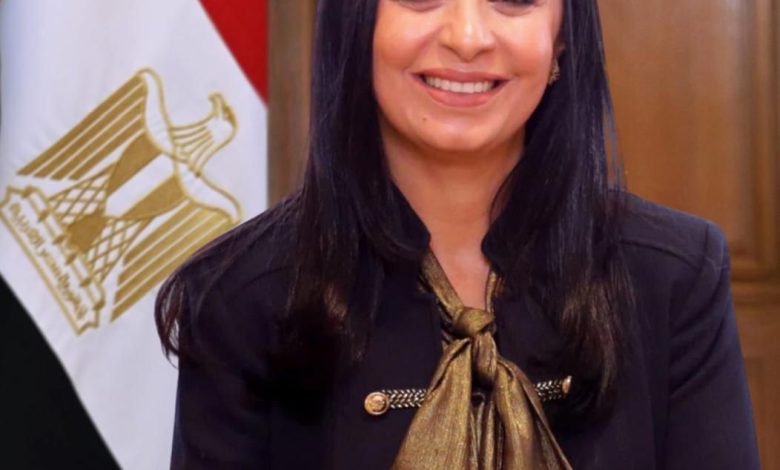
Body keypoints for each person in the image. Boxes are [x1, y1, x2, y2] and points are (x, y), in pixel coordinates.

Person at [155, 0, 760, 468]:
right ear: (356, 23)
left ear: (562, 39)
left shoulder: (675, 275)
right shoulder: (240, 295)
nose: (468, 36)